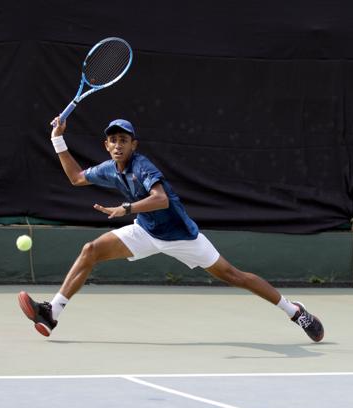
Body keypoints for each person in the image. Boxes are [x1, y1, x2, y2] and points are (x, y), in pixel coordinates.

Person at [18, 117, 324, 342]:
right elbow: (76, 178)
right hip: (146, 232)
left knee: (235, 276)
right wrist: (58, 140)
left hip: (182, 237)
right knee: (91, 250)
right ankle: (52, 313)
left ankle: (295, 311)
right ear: (106, 145)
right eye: (113, 139)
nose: (118, 144)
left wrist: (125, 209)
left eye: (124, 140)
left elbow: (161, 199)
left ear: (133, 145)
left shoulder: (142, 166)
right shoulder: (109, 169)